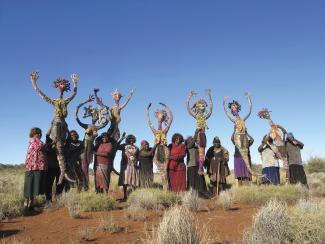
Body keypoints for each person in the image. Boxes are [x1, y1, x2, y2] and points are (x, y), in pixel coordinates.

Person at [223, 93, 261, 186]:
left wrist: (249, 99)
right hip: (238, 136)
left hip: (243, 137)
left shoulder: (242, 119)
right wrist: (224, 102)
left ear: (237, 107)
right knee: (242, 157)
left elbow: (249, 111)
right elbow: (226, 113)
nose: (233, 107)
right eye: (232, 106)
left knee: (246, 158)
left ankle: (250, 177)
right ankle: (240, 183)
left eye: (235, 105)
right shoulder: (234, 119)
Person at [24, 128, 47, 210]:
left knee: (34, 185)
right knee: (29, 185)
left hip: (37, 166)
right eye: (38, 133)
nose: (40, 135)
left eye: (40, 133)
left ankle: (31, 203)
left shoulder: (38, 141)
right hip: (32, 166)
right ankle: (26, 203)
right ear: (33, 134)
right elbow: (39, 147)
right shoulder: (34, 140)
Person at [118, 134, 139, 200]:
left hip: (133, 165)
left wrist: (136, 162)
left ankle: (134, 196)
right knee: (125, 181)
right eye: (130, 139)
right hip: (125, 165)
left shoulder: (136, 147)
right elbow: (116, 146)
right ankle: (125, 196)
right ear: (128, 139)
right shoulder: (124, 146)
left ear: (134, 140)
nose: (131, 140)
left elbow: (138, 157)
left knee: (133, 181)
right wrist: (121, 138)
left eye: (132, 139)